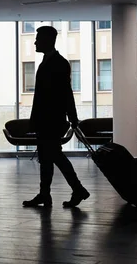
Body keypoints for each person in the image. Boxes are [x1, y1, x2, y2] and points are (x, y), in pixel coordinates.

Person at [22, 26, 90, 208]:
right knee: (48, 158)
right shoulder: (50, 61)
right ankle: (49, 193)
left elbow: (66, 93)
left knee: (53, 157)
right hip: (47, 120)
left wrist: (73, 118)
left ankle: (75, 190)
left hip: (50, 121)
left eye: (38, 38)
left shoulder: (58, 63)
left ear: (48, 40)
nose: (35, 42)